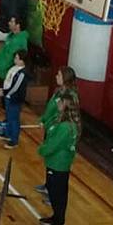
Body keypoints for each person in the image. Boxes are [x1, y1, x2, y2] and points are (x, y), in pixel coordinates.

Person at [38, 95, 81, 225]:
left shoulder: (65, 127)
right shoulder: (65, 123)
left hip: (58, 164)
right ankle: (56, 218)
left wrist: (42, 150)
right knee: (55, 192)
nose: (58, 104)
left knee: (57, 194)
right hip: (57, 162)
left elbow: (54, 144)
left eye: (61, 102)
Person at [36, 67, 80, 196]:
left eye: (59, 75)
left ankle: (52, 192)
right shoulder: (58, 91)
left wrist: (49, 124)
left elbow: (60, 114)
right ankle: (48, 185)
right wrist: (43, 119)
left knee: (55, 158)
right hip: (51, 128)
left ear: (65, 78)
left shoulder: (70, 96)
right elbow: (50, 108)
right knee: (50, 160)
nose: (56, 76)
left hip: (57, 129)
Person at [0, 49, 29, 149]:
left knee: (14, 119)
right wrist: (3, 89)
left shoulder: (22, 73)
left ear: (22, 61)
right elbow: (8, 80)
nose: (15, 59)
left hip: (14, 98)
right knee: (9, 116)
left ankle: (14, 140)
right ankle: (8, 133)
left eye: (17, 58)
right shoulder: (14, 68)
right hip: (8, 96)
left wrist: (6, 92)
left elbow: (16, 87)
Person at [0, 16, 29, 87]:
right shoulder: (10, 36)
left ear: (18, 25)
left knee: (5, 91)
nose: (9, 23)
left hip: (8, 73)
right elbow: (4, 50)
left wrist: (1, 67)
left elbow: (11, 57)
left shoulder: (19, 41)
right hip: (2, 70)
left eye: (12, 22)